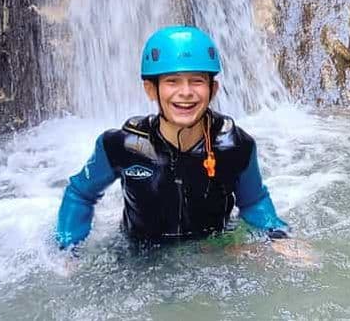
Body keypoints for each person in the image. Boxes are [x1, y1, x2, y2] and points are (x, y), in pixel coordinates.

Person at [55, 26, 289, 253]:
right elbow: (80, 194)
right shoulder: (122, 145)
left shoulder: (235, 146)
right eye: (172, 81)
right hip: (140, 259)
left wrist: (278, 237)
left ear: (213, 89)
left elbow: (254, 201)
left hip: (210, 253)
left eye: (197, 81)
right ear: (150, 89)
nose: (185, 92)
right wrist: (68, 248)